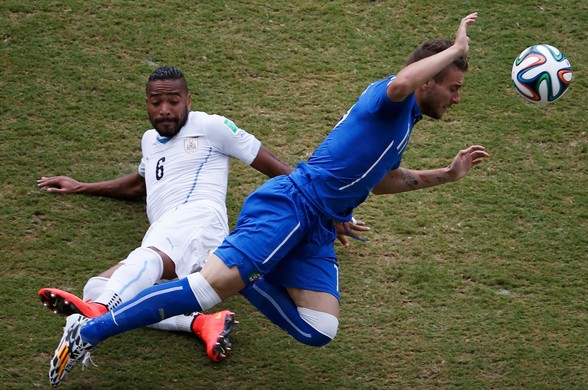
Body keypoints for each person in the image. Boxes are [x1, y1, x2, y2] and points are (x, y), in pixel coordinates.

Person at [49, 13, 488, 387]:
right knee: (206, 289)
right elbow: (403, 80)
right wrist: (457, 46)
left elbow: (381, 180)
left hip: (317, 225)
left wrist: (447, 176)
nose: (457, 97)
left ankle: (247, 276)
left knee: (320, 328)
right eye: (453, 86)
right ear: (428, 80)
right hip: (291, 205)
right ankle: (91, 331)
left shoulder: (406, 121)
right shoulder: (387, 99)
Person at [38, 65, 297, 364]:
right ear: (146, 102)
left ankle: (99, 313)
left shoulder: (211, 126)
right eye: (156, 102)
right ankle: (200, 322)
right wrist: (81, 187)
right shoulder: (150, 140)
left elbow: (278, 168)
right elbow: (138, 186)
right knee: (96, 287)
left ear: (188, 100)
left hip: (199, 219)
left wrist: (327, 209)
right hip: (178, 239)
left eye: (173, 101)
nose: (164, 110)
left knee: (137, 266)